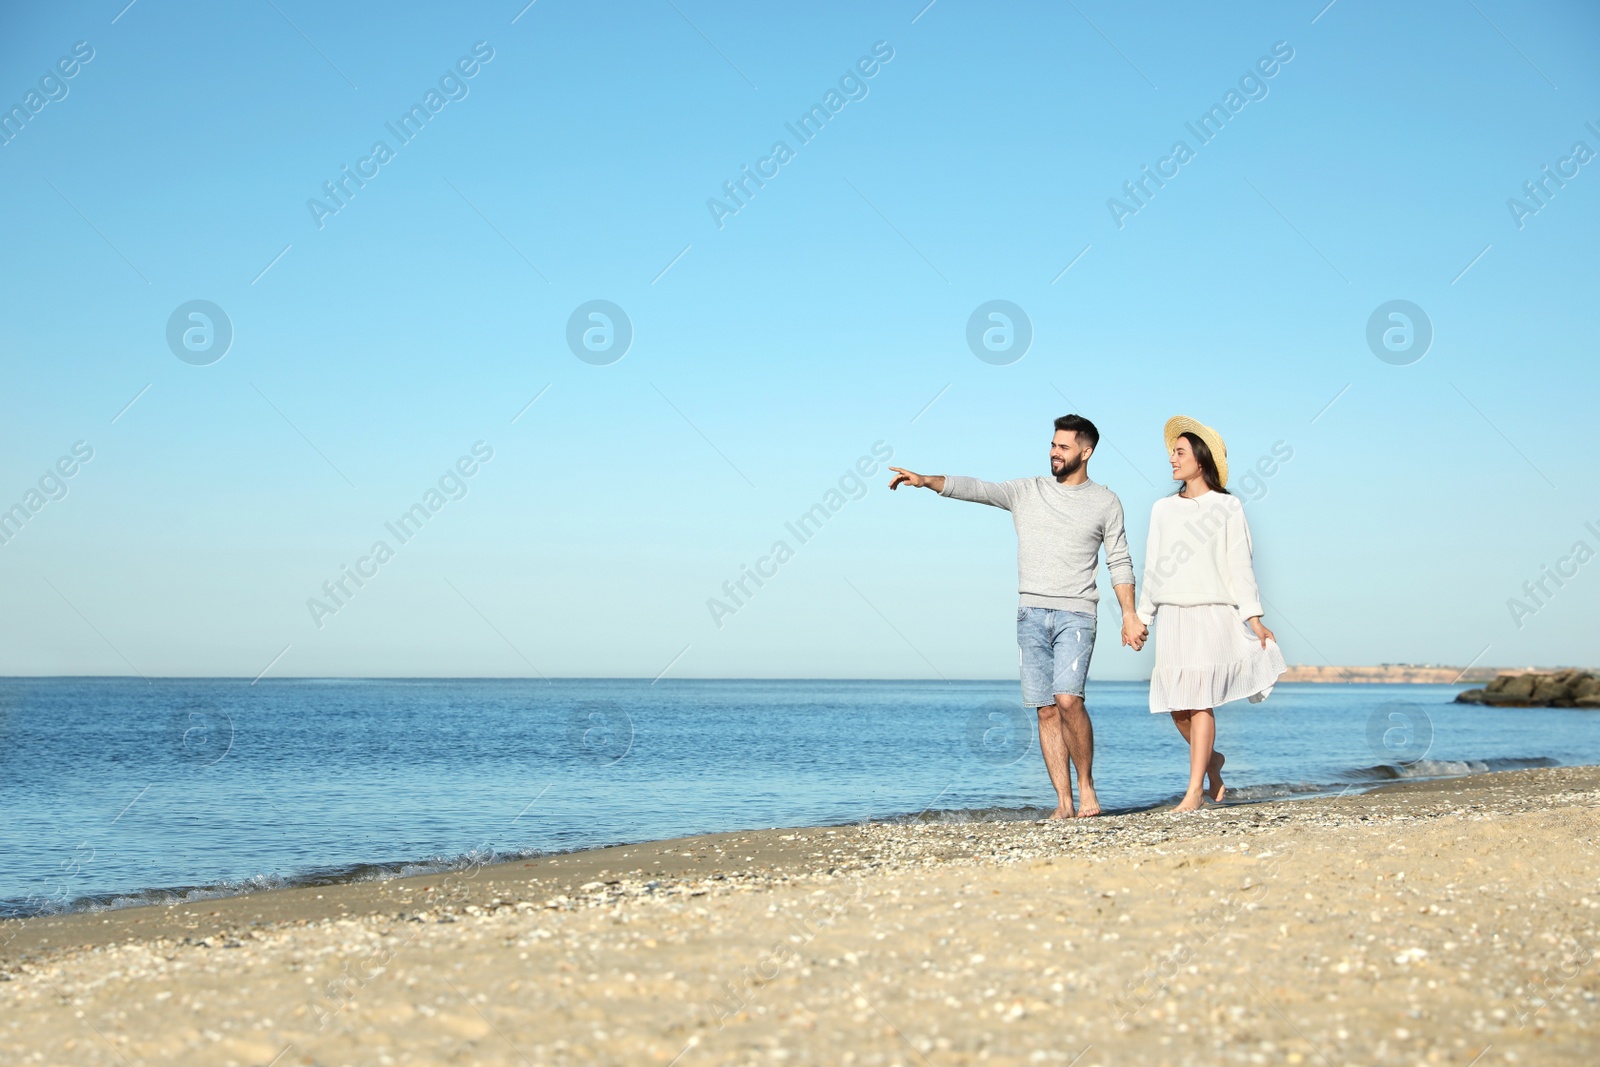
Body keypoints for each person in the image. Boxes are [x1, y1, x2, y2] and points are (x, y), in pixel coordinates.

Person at [888, 415, 1146, 819]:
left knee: (1068, 700)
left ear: (1086, 451)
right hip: (1030, 614)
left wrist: (1129, 614)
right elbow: (979, 489)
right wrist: (927, 481)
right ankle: (1063, 801)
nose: (1054, 452)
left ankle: (1087, 787)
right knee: (1045, 708)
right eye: (1052, 444)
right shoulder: (1028, 491)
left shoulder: (1106, 502)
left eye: (1063, 446)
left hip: (1076, 613)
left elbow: (1120, 560)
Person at [1135, 416, 1287, 812]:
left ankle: (1193, 793)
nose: (1172, 458)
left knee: (1201, 701)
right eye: (1172, 452)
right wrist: (1142, 617)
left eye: (1179, 452)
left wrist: (1254, 617)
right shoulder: (1162, 509)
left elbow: (1241, 564)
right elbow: (1154, 567)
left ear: (1200, 459)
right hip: (1173, 615)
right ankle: (1213, 761)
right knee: (1176, 703)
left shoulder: (1227, 506)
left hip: (1212, 614)